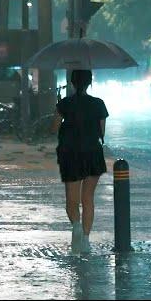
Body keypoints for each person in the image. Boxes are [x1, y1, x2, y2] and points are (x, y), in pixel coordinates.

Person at [51, 70, 109, 254]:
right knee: (88, 199)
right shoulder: (98, 104)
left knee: (72, 199)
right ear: (90, 82)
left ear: (72, 83)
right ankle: (85, 239)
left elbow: (53, 128)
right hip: (93, 153)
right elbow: (102, 132)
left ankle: (76, 227)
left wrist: (59, 110)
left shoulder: (65, 103)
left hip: (71, 153)